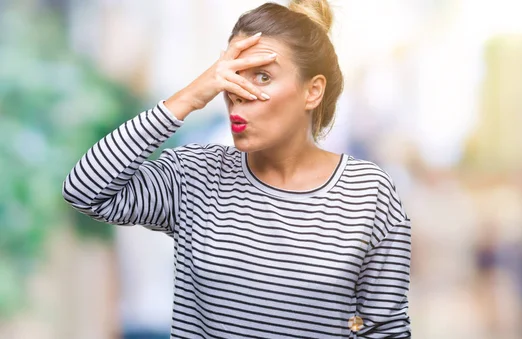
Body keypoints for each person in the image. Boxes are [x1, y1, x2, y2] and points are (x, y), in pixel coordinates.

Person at [62, 1, 412, 338]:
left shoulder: (369, 194)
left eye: (261, 76)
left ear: (312, 91)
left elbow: (385, 330)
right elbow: (84, 191)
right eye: (231, 75)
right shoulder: (194, 175)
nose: (237, 92)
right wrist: (190, 97)